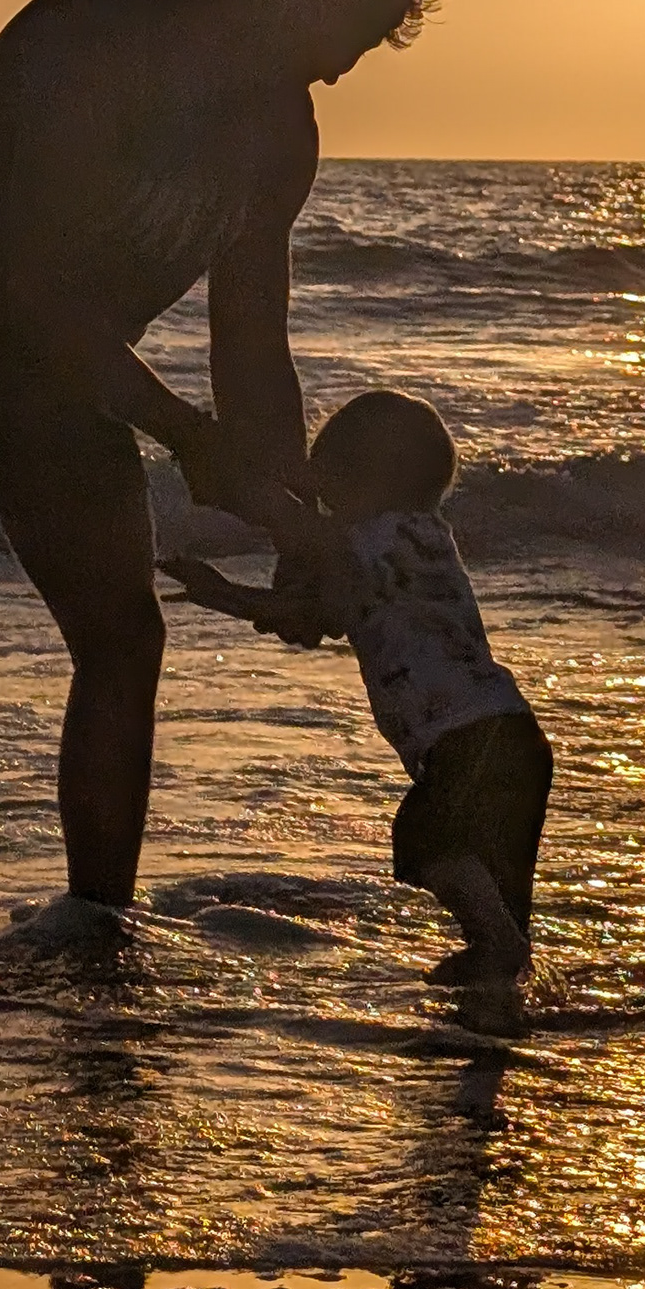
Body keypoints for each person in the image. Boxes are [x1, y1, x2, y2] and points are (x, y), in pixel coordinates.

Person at [0, 0, 439, 978]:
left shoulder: (283, 136)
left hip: (58, 380)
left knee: (123, 634)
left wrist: (299, 519)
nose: (345, 64)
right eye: (354, 25)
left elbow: (252, 343)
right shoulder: (93, 38)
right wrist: (185, 436)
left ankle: (96, 927)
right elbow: (39, 288)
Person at [163, 389, 552, 991]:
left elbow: (312, 610)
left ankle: (497, 954)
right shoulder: (427, 536)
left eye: (329, 485)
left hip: (464, 740)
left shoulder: (363, 543)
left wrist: (227, 593)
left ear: (360, 484)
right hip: (514, 735)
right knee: (497, 883)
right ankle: (498, 989)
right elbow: (327, 614)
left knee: (424, 839)